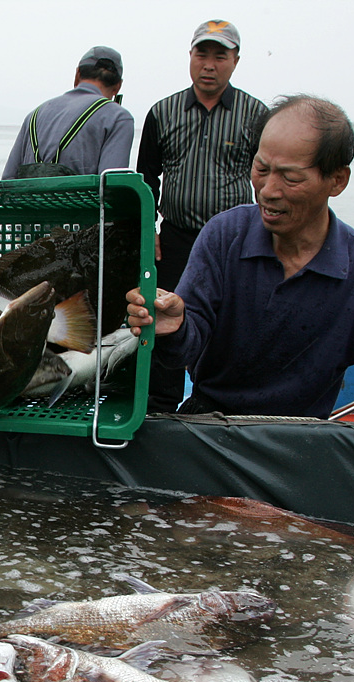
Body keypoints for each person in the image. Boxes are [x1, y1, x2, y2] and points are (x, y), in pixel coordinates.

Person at [126, 95, 354, 438]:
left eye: (290, 178)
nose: (267, 190)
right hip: (209, 425)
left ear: (337, 180)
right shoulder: (223, 237)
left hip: (304, 438)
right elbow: (185, 349)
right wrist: (173, 327)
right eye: (261, 169)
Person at [136, 19, 268, 411]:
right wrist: (149, 230)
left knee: (233, 320)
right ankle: (161, 407)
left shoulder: (255, 114)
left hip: (236, 242)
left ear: (235, 61)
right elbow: (146, 177)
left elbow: (266, 177)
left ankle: (225, 403)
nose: (209, 65)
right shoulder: (163, 112)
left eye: (219, 56)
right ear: (190, 57)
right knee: (165, 317)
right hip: (175, 239)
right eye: (202, 54)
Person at [1, 46, 133, 179]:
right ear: (118, 86)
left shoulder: (34, 116)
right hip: (83, 200)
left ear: (77, 74)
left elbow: (7, 180)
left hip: (30, 200)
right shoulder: (118, 118)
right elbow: (112, 185)